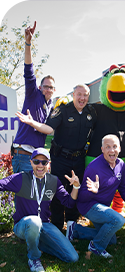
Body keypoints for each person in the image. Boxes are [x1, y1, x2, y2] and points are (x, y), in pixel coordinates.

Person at [16, 84, 97, 231]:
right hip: (61, 158)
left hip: (79, 159)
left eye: (85, 95)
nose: (82, 98)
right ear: (73, 95)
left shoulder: (91, 112)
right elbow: (49, 129)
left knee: (76, 188)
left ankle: (72, 224)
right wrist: (31, 122)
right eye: (79, 94)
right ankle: (57, 226)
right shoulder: (63, 110)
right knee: (58, 191)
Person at [0, 148, 80, 272]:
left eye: (44, 162)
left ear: (49, 164)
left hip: (45, 225)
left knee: (72, 257)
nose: (40, 166)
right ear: (31, 162)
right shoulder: (21, 178)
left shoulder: (54, 181)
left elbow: (69, 203)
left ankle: (37, 242)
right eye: (36, 162)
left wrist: (76, 186)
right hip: (23, 225)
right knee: (34, 221)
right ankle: (34, 258)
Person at [65, 134, 125, 258]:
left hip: (102, 206)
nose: (112, 150)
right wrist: (92, 191)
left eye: (114, 146)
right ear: (102, 149)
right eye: (108, 147)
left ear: (120, 148)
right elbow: (82, 198)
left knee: (111, 240)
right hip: (88, 206)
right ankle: (96, 247)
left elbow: (122, 187)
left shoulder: (120, 164)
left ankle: (75, 230)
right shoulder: (94, 168)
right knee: (118, 220)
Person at [12, 21, 55, 173]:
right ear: (39, 87)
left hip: (37, 157)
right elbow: (28, 70)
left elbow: (50, 130)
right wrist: (28, 43)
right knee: (23, 196)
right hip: (23, 155)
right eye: (46, 86)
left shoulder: (51, 107)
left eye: (51, 87)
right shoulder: (33, 94)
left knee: (33, 196)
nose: (48, 89)